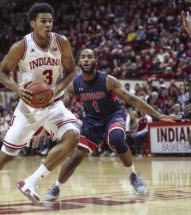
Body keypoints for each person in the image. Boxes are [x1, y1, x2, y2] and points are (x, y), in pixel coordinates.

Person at [0, 2, 80, 211]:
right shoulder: (21, 46)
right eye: (43, 21)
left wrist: (56, 91)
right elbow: (2, 73)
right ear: (33, 23)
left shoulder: (62, 43)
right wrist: (17, 89)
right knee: (4, 157)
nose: (48, 24)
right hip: (28, 107)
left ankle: (32, 181)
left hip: (53, 104)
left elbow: (71, 71)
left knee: (73, 136)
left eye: (50, 21)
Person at [44, 49, 180, 201]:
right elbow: (63, 109)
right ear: (79, 62)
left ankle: (134, 176)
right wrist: (47, 127)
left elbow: (132, 100)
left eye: (90, 57)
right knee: (76, 157)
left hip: (113, 115)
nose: (87, 60)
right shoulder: (74, 84)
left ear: (95, 60)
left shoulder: (108, 80)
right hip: (92, 121)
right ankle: (56, 187)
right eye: (83, 57)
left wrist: (159, 115)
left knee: (116, 138)